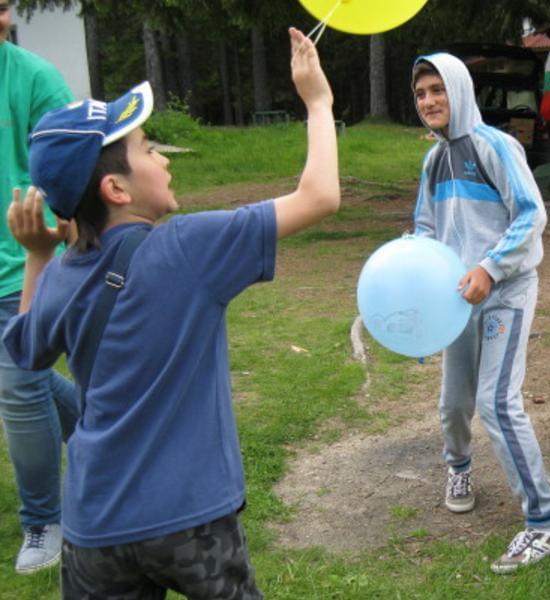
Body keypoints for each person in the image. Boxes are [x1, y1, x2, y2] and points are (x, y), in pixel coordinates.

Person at [1, 27, 338, 597]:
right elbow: (320, 196)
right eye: (149, 148)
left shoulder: (63, 271)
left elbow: (26, 350)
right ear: (116, 187)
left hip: (94, 527)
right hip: (191, 520)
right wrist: (318, 101)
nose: (161, 158)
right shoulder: (190, 247)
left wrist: (37, 256)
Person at [411, 53, 550, 574]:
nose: (430, 101)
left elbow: (531, 213)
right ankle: (458, 467)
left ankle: (545, 522)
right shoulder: (434, 161)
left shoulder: (494, 145)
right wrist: (414, 295)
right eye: (420, 94)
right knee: (455, 403)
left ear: (459, 90)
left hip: (505, 291)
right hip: (458, 297)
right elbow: (425, 231)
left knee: (497, 401)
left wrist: (490, 267)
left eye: (438, 89)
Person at [0, 0, 80, 574]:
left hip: (21, 260)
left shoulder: (34, 78)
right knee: (20, 376)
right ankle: (102, 429)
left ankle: (43, 520)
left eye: (4, 8)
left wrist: (52, 240)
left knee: (18, 387)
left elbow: (66, 168)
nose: (4, 17)